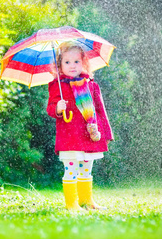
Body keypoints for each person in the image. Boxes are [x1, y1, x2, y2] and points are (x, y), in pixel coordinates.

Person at [46, 41, 114, 211]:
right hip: (69, 136)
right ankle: (71, 204)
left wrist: (105, 132)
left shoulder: (90, 84)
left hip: (89, 135)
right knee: (71, 169)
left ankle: (86, 201)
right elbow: (50, 108)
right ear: (59, 64)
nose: (72, 66)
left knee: (86, 169)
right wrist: (57, 108)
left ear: (83, 62)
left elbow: (99, 110)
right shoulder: (57, 86)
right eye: (67, 62)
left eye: (76, 61)